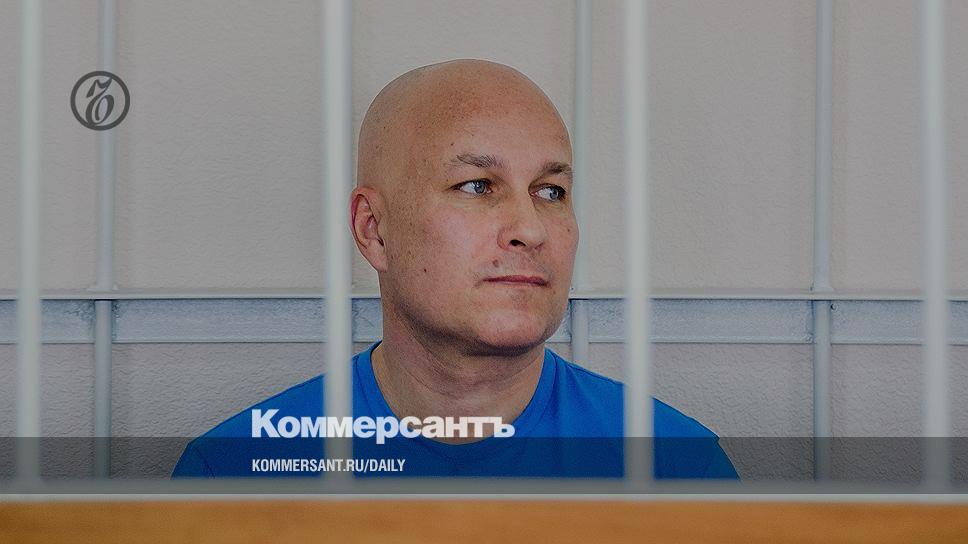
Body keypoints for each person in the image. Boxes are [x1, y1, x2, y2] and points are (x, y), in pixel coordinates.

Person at [172, 59, 738, 479]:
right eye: (476, 186)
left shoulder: (677, 468)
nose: (531, 229)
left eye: (550, 191)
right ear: (374, 230)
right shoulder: (234, 477)